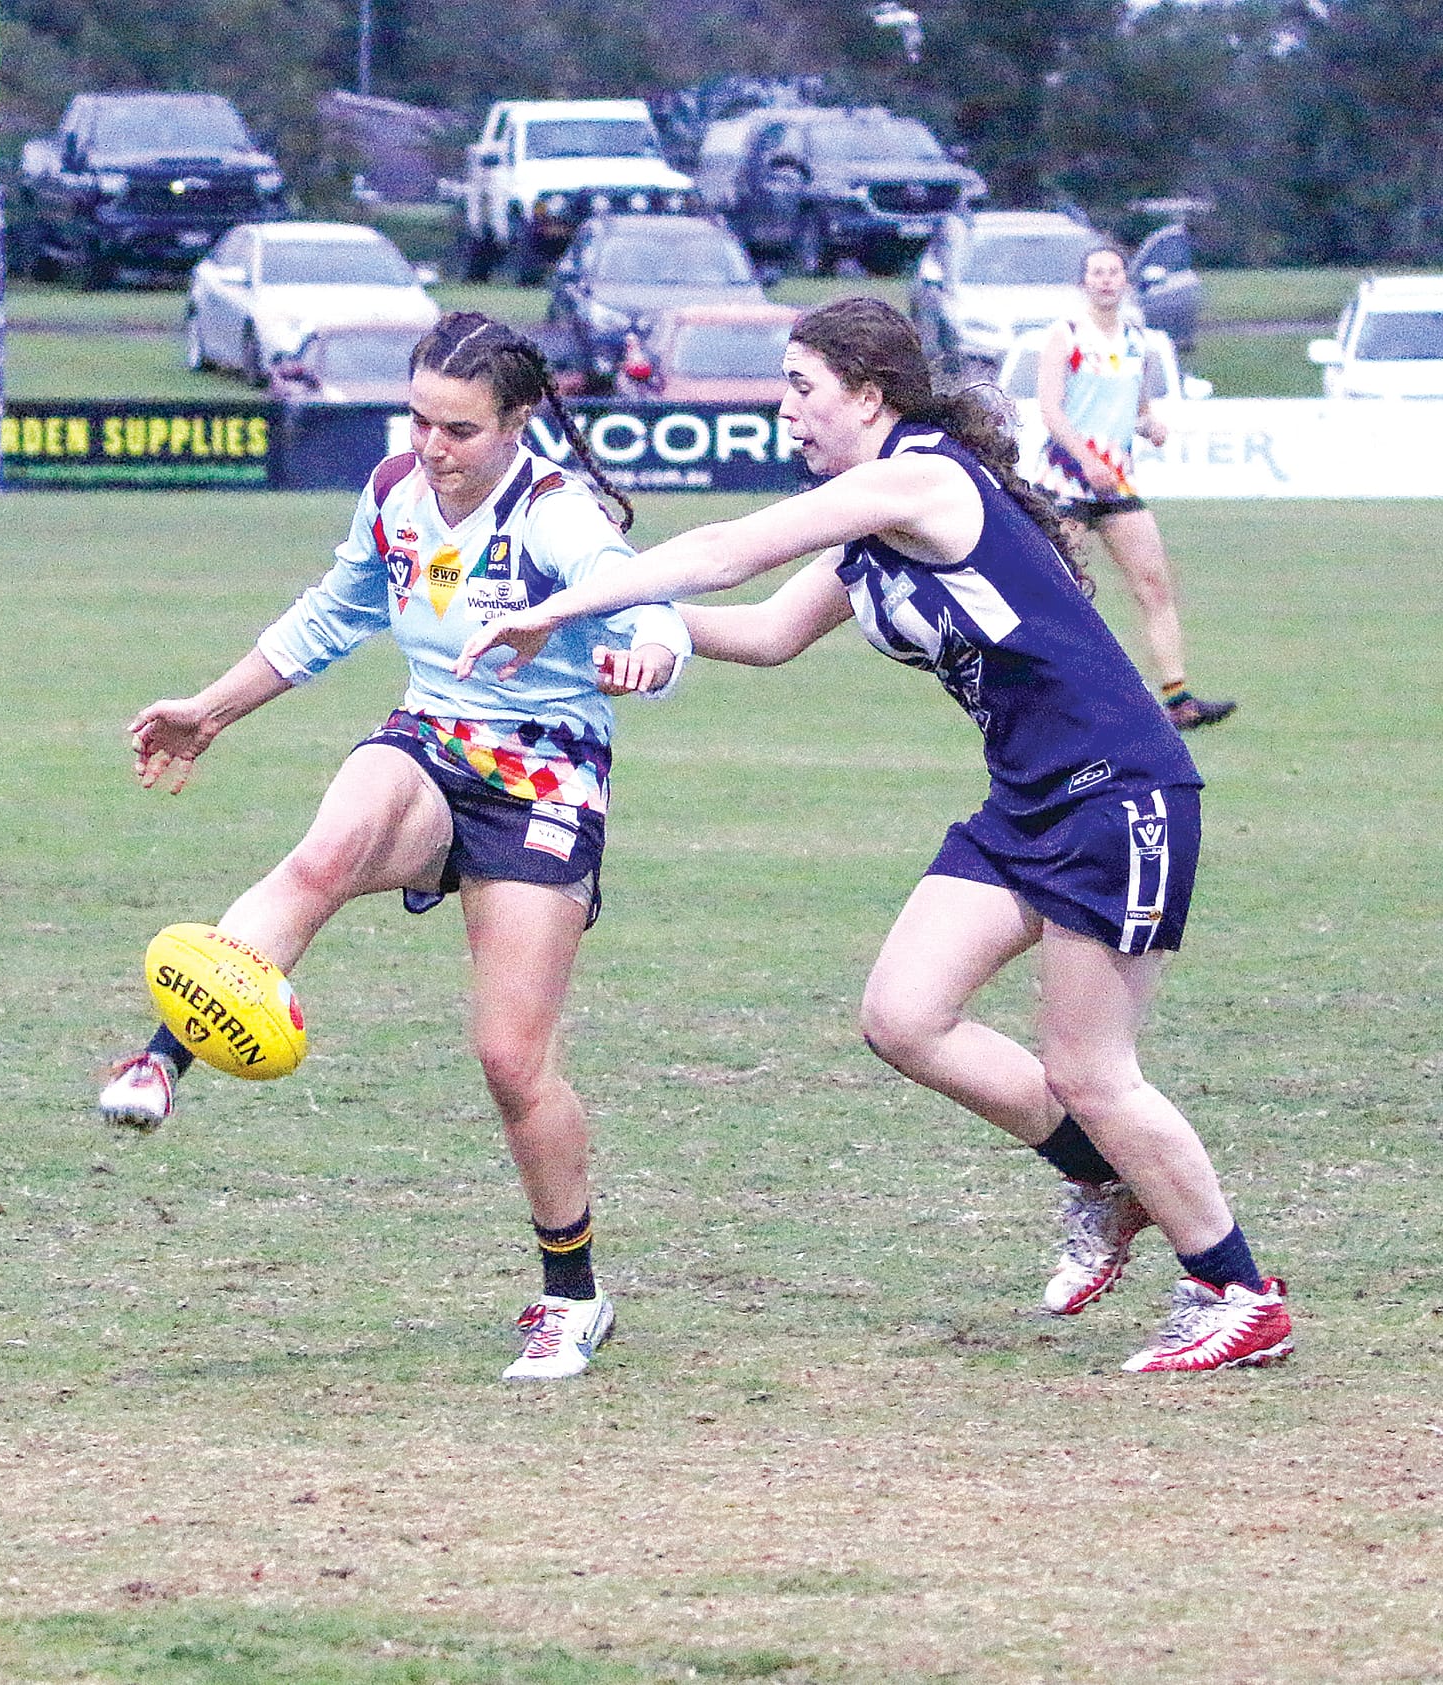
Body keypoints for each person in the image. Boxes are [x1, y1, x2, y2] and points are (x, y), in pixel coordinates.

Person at [458, 296, 1292, 1374]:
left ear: (867, 392)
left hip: (1112, 790)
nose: (785, 408)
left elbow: (725, 550)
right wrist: (605, 635)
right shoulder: (865, 521)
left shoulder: (920, 475)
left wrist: (571, 598)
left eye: (802, 386)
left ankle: (1234, 1288)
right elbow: (760, 633)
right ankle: (1106, 1179)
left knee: (1091, 1067)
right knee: (902, 1014)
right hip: (1026, 801)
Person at [97, 311, 690, 1381]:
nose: (431, 446)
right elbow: (330, 615)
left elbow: (650, 603)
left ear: (515, 422)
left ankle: (572, 1295)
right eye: (418, 418)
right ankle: (160, 1053)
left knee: (510, 1059)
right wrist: (211, 710)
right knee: (326, 849)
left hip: (543, 779)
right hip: (429, 740)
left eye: (458, 428)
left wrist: (648, 652)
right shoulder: (393, 496)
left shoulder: (553, 516)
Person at [1034, 243, 1234, 731]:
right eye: (1096, 272)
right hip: (1065, 479)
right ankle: (1051, 700)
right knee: (1062, 592)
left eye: (1113, 272)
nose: (1105, 280)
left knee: (1154, 583)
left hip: (1116, 482)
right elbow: (1051, 411)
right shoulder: (1065, 335)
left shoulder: (1135, 341)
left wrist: (1152, 426)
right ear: (1085, 282)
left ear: (1125, 281)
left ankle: (1178, 698)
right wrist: (1086, 461)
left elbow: (1136, 409)